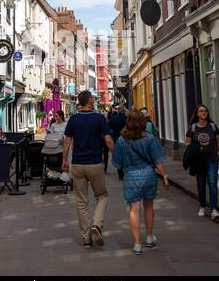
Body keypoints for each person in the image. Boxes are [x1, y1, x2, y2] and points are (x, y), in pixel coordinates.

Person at [62, 90, 114, 248]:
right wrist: (118, 156)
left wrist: (65, 160)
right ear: (89, 101)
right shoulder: (99, 118)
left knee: (81, 202)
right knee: (102, 195)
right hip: (95, 164)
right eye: (92, 98)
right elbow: (108, 140)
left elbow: (67, 141)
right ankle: (97, 225)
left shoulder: (73, 119)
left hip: (77, 164)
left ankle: (86, 238)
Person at [112, 111, 169, 255]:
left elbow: (117, 163)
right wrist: (165, 176)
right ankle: (149, 237)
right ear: (143, 122)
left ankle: (137, 244)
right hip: (149, 175)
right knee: (149, 206)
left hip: (131, 176)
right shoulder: (150, 138)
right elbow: (158, 160)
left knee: (134, 209)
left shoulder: (121, 140)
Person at [185, 104, 219, 221]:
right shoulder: (193, 128)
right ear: (197, 114)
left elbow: (218, 143)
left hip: (212, 159)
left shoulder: (212, 127)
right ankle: (202, 206)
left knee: (213, 184)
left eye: (205, 111)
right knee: (201, 184)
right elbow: (187, 143)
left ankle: (214, 209)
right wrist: (196, 147)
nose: (204, 113)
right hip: (199, 161)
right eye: (201, 111)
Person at [109, 105, 127, 179]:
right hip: (126, 139)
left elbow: (110, 130)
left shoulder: (113, 119)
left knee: (119, 155)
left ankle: (120, 174)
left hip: (116, 139)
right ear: (123, 111)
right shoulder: (127, 119)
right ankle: (126, 170)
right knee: (126, 155)